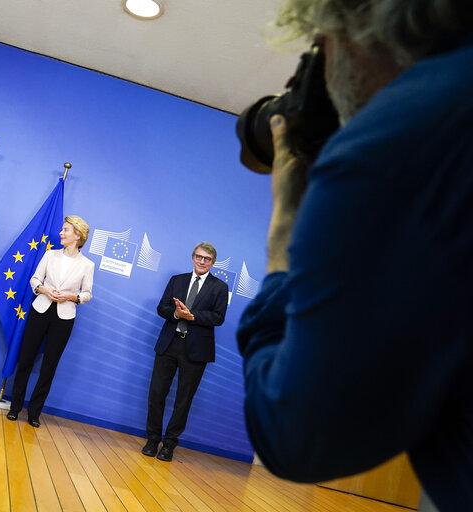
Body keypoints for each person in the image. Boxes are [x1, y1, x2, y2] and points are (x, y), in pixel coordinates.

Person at [235, 1, 473, 509]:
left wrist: (283, 246)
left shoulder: (393, 142)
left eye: (321, 44)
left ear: (356, 29)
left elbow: (295, 436)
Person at [142, 242, 228, 461]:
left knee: (184, 399)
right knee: (156, 394)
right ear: (192, 258)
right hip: (169, 344)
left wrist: (193, 316)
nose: (202, 261)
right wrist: (178, 315)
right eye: (199, 257)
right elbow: (162, 308)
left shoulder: (219, 287)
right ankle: (152, 440)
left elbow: (218, 318)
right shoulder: (177, 280)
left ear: (213, 263)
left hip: (196, 350)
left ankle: (169, 444)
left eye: (207, 259)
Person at [6, 215, 94, 427]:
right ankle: (15, 408)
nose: (61, 233)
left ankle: (35, 413)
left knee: (49, 367)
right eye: (62, 229)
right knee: (26, 360)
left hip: (64, 318)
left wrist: (71, 297)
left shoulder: (87, 265)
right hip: (41, 310)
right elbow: (35, 280)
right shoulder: (49, 255)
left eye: (65, 230)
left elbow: (87, 294)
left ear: (78, 236)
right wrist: (44, 289)